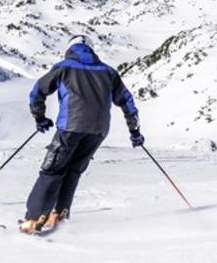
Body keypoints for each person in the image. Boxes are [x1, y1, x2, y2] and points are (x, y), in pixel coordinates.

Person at [20, 35, 144, 233]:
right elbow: (127, 102)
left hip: (70, 126)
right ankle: (59, 216)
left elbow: (37, 92)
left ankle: (34, 219)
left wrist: (40, 118)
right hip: (98, 131)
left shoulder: (64, 67)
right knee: (73, 171)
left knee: (52, 170)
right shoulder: (109, 72)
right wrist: (134, 131)